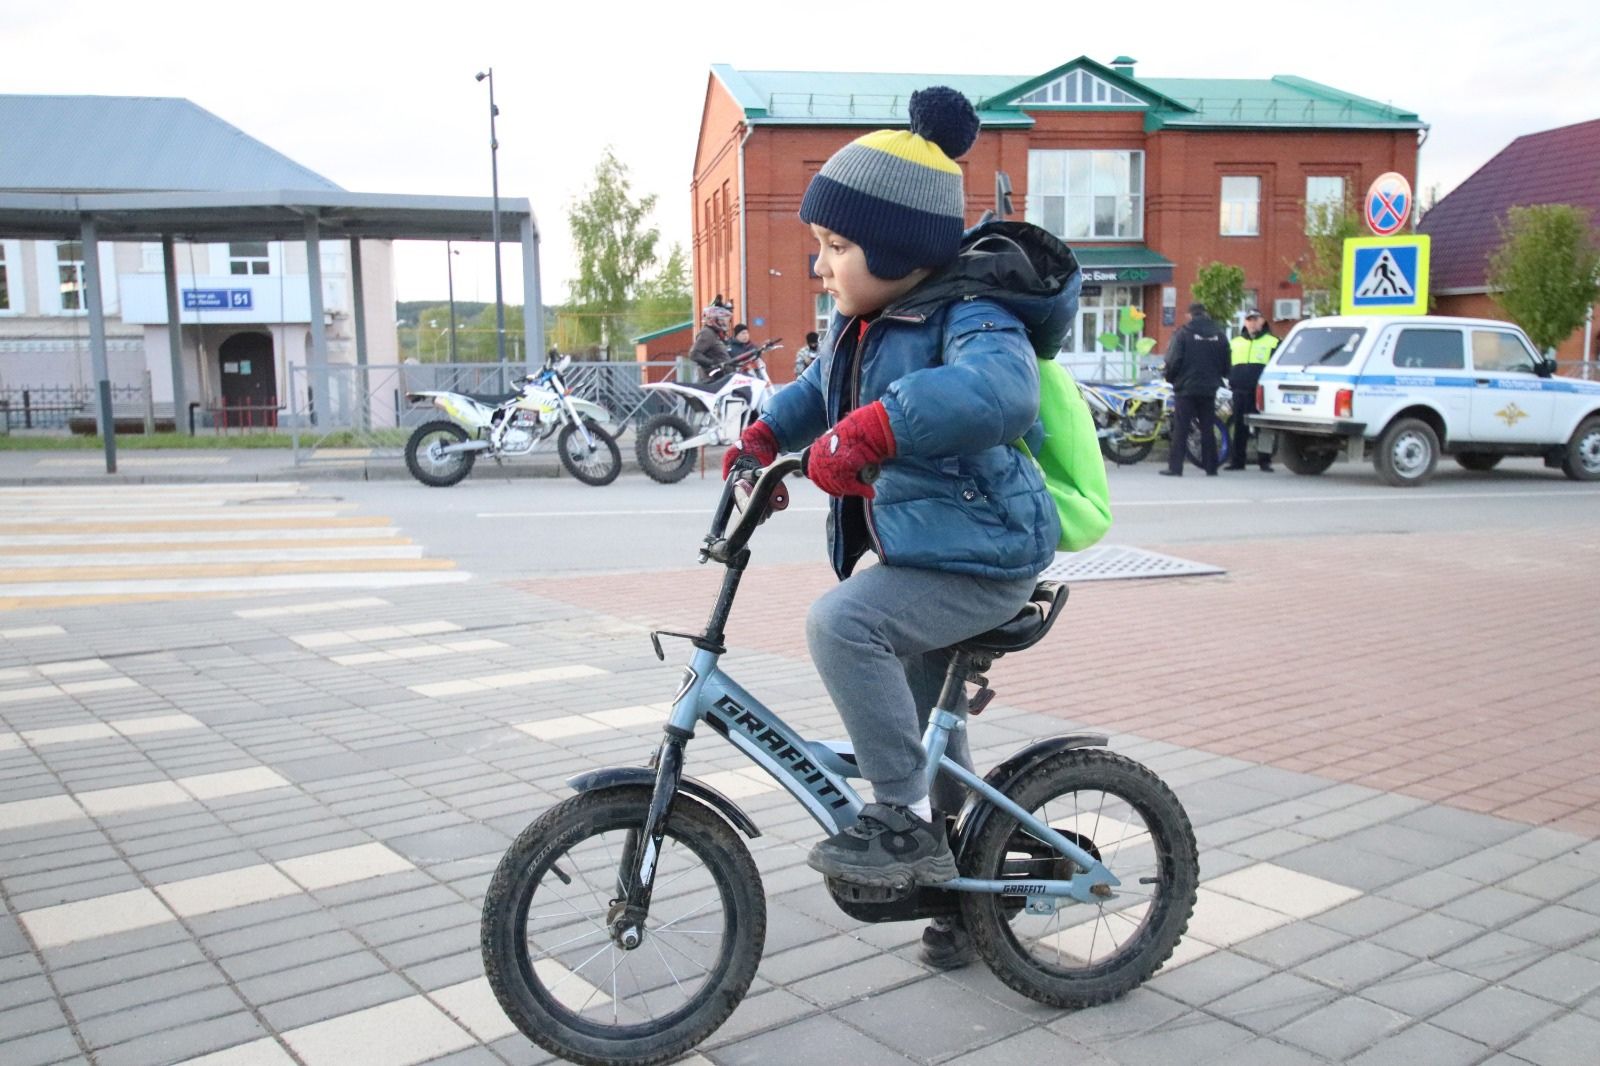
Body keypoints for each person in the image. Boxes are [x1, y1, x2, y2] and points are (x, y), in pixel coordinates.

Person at [720, 86, 1075, 970]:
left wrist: (877, 430)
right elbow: (818, 395)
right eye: (820, 249)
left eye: (839, 247)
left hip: (986, 551)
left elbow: (1000, 393)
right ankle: (959, 898)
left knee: (844, 623)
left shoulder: (972, 316)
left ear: (904, 248)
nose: (824, 266)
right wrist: (766, 436)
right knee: (926, 740)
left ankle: (900, 824)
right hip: (932, 548)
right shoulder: (858, 325)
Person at [1161, 302, 1230, 476]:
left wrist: (1170, 378)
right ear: (1206, 314)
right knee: (1207, 427)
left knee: (1181, 428)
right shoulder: (1219, 335)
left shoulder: (1183, 334)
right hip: (1209, 389)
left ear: (1190, 315)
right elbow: (1226, 365)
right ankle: (1211, 467)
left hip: (1186, 389)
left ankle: (1175, 468)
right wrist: (1216, 377)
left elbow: (1173, 360)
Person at [1225, 309, 1278, 471]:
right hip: (1239, 390)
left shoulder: (1273, 342)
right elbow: (1226, 363)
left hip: (1261, 391)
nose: (1253, 323)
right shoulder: (1235, 342)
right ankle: (1237, 461)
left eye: (1256, 319)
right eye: (1249, 320)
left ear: (1262, 321)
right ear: (1245, 322)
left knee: (1263, 428)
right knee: (1239, 426)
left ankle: (1265, 461)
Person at [689, 297, 736, 380]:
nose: (725, 323)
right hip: (712, 381)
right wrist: (714, 364)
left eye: (726, 320)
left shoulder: (716, 334)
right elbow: (694, 354)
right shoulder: (707, 333)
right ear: (712, 320)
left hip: (722, 379)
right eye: (721, 320)